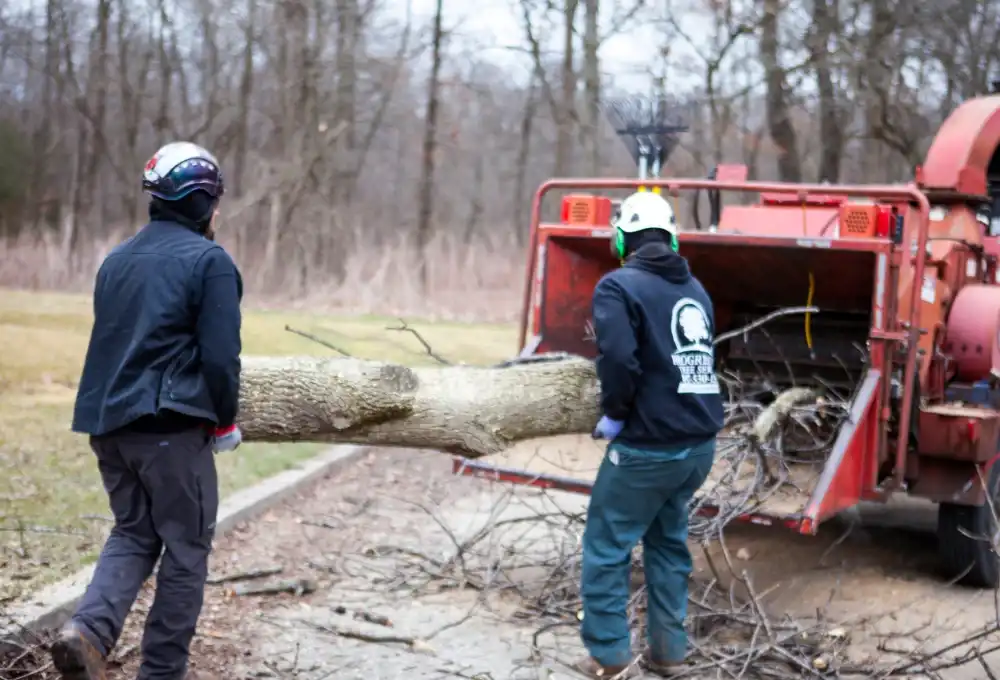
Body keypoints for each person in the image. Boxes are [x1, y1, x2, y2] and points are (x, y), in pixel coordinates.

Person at [50, 142, 244, 680]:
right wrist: (225, 421)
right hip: (171, 430)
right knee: (185, 547)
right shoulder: (211, 263)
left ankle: (88, 633)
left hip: (108, 426)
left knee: (134, 533)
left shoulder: (116, 259)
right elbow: (222, 358)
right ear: (204, 201)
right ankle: (161, 671)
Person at [575, 190, 724, 679]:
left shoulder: (617, 287)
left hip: (648, 446)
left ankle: (609, 658)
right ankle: (669, 653)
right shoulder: (697, 289)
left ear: (622, 238)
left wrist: (616, 412)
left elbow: (619, 359)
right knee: (666, 544)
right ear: (672, 236)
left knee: (606, 545)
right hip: (698, 446)